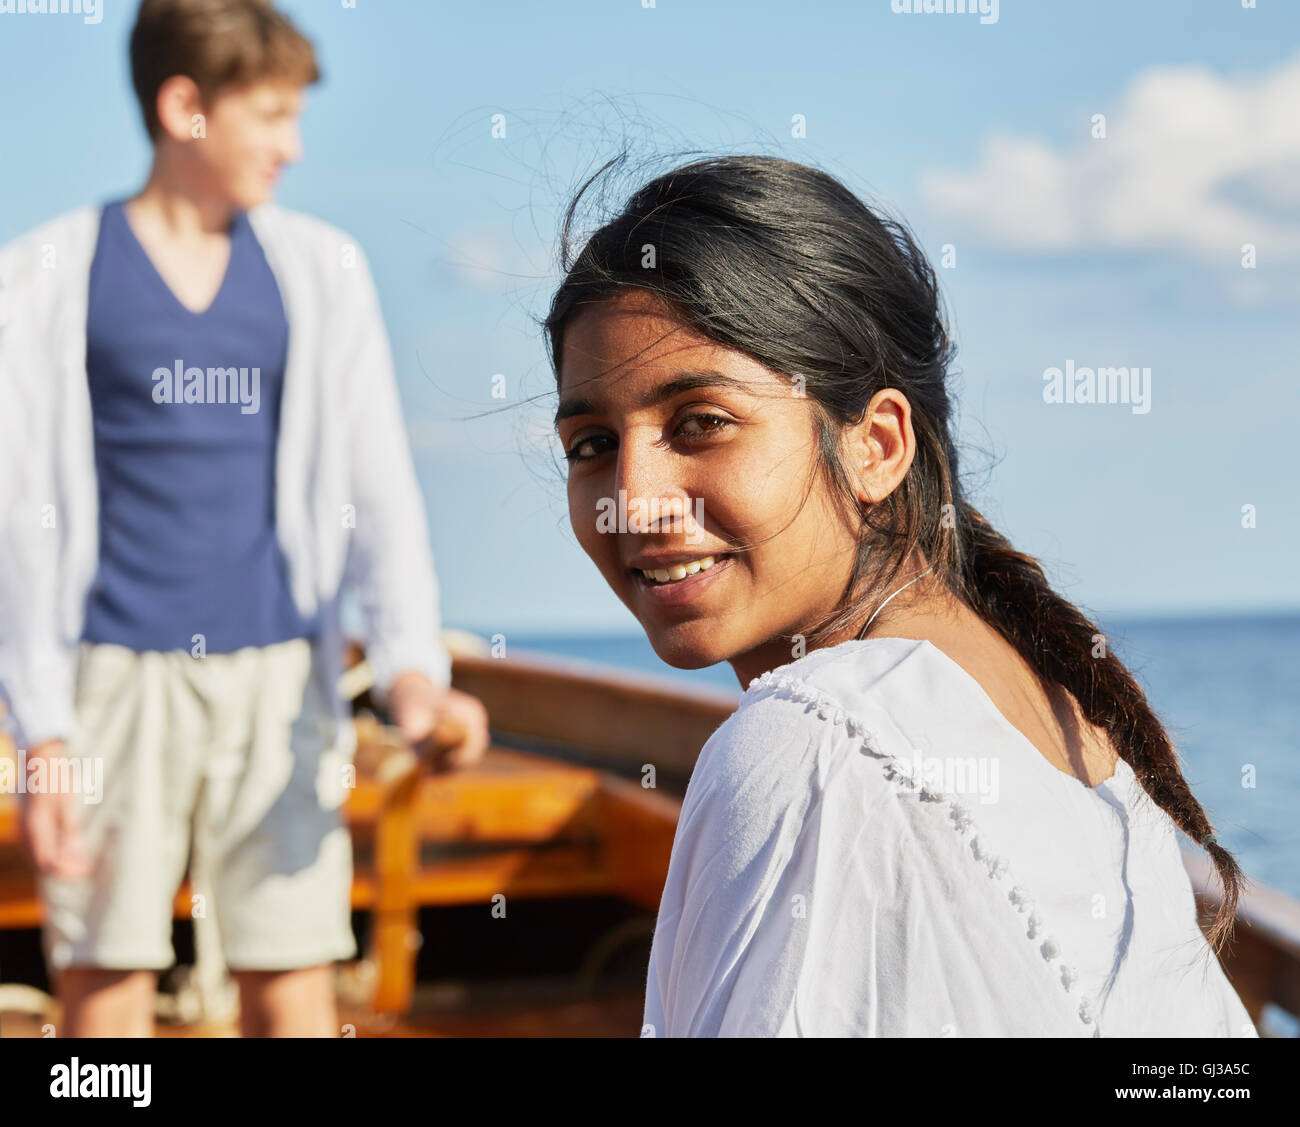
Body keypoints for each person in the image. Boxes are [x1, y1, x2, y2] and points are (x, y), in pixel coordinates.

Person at [544, 154, 1258, 1037]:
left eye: (701, 423)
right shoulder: (1055, 708)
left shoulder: (812, 744)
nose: (633, 496)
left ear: (876, 445)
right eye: (591, 444)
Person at [0, 0, 489, 1037]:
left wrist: (409, 669)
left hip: (279, 684)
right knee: (104, 978)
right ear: (184, 106)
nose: (292, 145)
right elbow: (13, 521)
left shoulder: (321, 270)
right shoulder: (45, 276)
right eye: (269, 116)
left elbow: (378, 489)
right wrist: (41, 734)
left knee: (292, 975)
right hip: (109, 684)